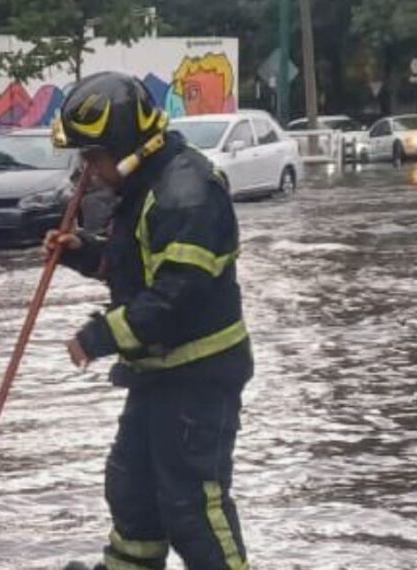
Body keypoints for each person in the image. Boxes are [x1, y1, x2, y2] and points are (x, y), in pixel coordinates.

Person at [46, 72, 254, 570]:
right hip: (158, 379)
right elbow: (136, 269)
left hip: (197, 380)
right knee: (133, 493)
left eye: (94, 157)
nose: (88, 171)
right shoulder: (146, 188)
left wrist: (97, 336)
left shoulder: (187, 193)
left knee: (191, 507)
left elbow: (172, 299)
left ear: (127, 146)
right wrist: (82, 253)